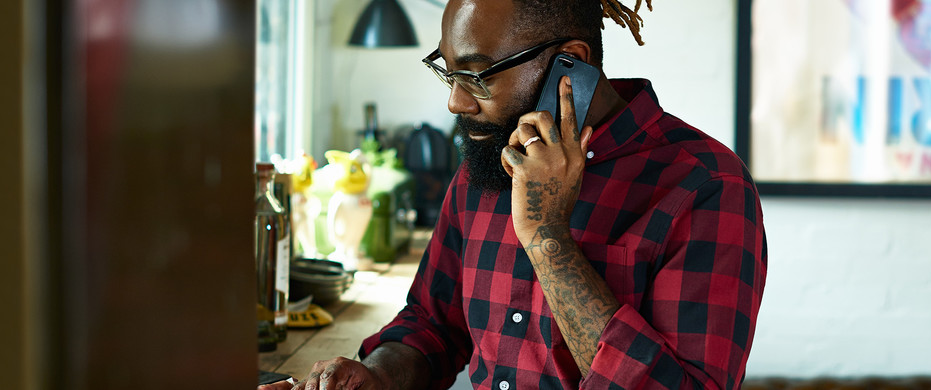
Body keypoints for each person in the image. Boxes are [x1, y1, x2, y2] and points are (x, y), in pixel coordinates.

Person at [261, 0, 766, 389]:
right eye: (447, 69)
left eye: (477, 75)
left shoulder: (706, 187)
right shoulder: (485, 162)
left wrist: (548, 238)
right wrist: (378, 375)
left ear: (570, 64)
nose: (456, 101)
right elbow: (433, 323)